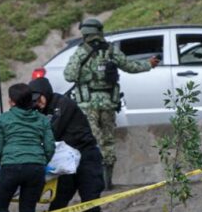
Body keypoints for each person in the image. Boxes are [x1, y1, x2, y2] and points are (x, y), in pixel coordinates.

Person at [64, 17, 160, 189]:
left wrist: (85, 75)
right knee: (108, 140)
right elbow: (130, 66)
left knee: (95, 141)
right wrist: (149, 64)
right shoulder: (111, 51)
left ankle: (96, 182)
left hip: (87, 105)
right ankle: (108, 181)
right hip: (108, 102)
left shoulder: (80, 52)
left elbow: (69, 75)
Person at [29, 76, 108, 212]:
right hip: (65, 162)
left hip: (86, 157)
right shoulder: (39, 111)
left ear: (45, 94)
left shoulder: (63, 104)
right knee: (56, 205)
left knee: (90, 203)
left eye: (38, 100)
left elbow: (52, 131)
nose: (37, 105)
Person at [0, 83, 55, 212]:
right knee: (27, 211)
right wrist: (43, 161)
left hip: (11, 166)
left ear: (11, 102)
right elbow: (50, 146)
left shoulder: (4, 119)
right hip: (35, 168)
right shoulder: (42, 120)